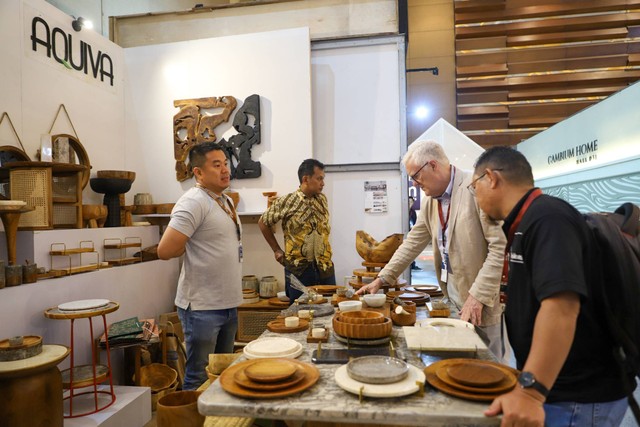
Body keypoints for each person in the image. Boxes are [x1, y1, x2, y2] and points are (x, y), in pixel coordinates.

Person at [470, 146, 629, 426]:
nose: (476, 197)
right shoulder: (527, 221)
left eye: (475, 186)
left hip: (577, 398)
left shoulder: (547, 219)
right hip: (560, 393)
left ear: (491, 178)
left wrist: (531, 393)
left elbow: (562, 306)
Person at [356, 140, 506, 357]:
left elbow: (499, 248)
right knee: (460, 366)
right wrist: (382, 279)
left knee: (488, 369)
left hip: (483, 302)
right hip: (454, 298)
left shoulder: (475, 189)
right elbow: (412, 244)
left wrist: (478, 296)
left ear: (433, 165)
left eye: (416, 176)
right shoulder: (430, 202)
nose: (415, 184)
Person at [157, 142, 243, 390]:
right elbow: (166, 250)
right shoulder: (193, 201)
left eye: (225, 164)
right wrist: (193, 248)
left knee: (221, 374)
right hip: (203, 307)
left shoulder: (224, 200)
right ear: (198, 172)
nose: (225, 170)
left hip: (227, 304)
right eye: (216, 165)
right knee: (198, 376)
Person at [258, 159, 335, 303]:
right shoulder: (287, 201)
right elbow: (263, 222)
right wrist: (277, 250)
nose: (322, 183)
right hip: (299, 271)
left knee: (328, 308)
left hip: (325, 268)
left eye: (323, 179)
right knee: (300, 313)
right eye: (319, 179)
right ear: (306, 179)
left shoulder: (322, 200)